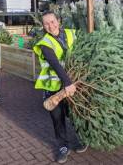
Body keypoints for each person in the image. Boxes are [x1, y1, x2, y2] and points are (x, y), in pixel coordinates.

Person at [33, 11, 87, 164]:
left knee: (75, 114)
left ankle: (80, 138)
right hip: (54, 86)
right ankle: (63, 146)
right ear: (43, 26)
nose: (50, 25)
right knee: (58, 118)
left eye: (52, 21)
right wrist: (67, 83)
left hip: (73, 84)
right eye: (46, 23)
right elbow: (55, 64)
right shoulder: (45, 43)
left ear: (58, 20)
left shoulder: (72, 34)